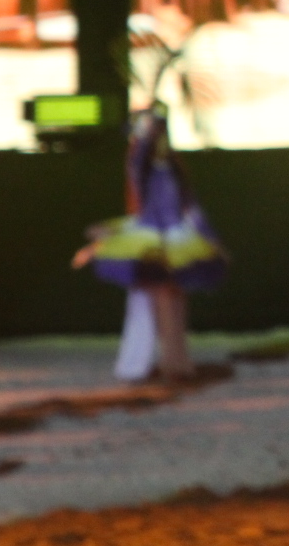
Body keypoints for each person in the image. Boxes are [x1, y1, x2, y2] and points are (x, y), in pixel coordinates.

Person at [72, 106, 227, 382]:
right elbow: (145, 207)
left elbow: (189, 207)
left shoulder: (172, 168)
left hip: (177, 238)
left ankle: (180, 360)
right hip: (154, 239)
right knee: (164, 298)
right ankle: (170, 362)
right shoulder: (141, 167)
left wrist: (210, 239)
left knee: (176, 299)